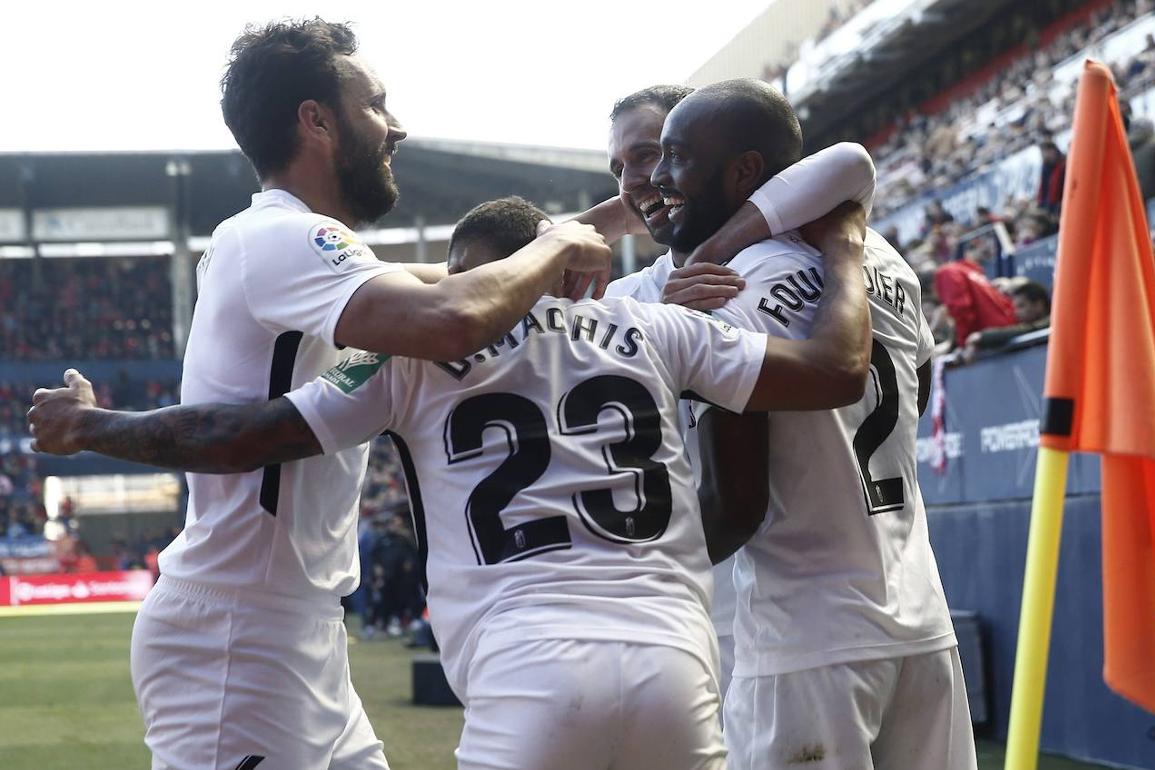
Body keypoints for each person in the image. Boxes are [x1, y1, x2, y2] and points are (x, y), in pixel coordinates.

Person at [29, 195, 874, 770]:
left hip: (526, 666)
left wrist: (91, 430)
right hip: (678, 664)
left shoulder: (410, 361)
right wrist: (844, 251)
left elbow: (242, 432)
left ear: (483, 273)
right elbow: (837, 370)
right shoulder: (657, 325)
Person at [62, 19, 612, 770]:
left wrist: (628, 215)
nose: (397, 127)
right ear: (315, 120)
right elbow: (453, 318)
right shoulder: (281, 239)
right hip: (238, 637)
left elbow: (469, 285)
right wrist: (557, 246)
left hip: (295, 628)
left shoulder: (303, 248)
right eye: (377, 104)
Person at [648, 80, 974, 770]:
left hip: (807, 640)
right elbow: (916, 371)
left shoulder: (724, 292)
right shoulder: (878, 257)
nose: (656, 177)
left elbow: (737, 506)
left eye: (675, 157)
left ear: (744, 172)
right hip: (921, 621)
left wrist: (633, 575)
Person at [602, 83, 878, 698]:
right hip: (872, 595)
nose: (642, 179)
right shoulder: (863, 258)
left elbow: (738, 498)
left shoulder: (729, 289)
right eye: (618, 169)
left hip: (752, 604)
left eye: (656, 154)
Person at [934, 232, 1017, 347]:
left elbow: (961, 310)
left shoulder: (948, 272)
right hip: (1001, 335)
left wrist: (964, 344)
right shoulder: (962, 270)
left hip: (989, 340)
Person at [962, 280, 1052, 359]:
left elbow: (1030, 329)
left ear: (1038, 305)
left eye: (1021, 306)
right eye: (1015, 308)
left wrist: (982, 337)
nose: (1016, 313)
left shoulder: (1051, 322)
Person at [1037, 139, 1067, 214]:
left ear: (1053, 151)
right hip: (1048, 206)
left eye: (1046, 152)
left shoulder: (1063, 165)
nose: (1045, 155)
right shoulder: (1045, 167)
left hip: (1060, 205)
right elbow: (1042, 188)